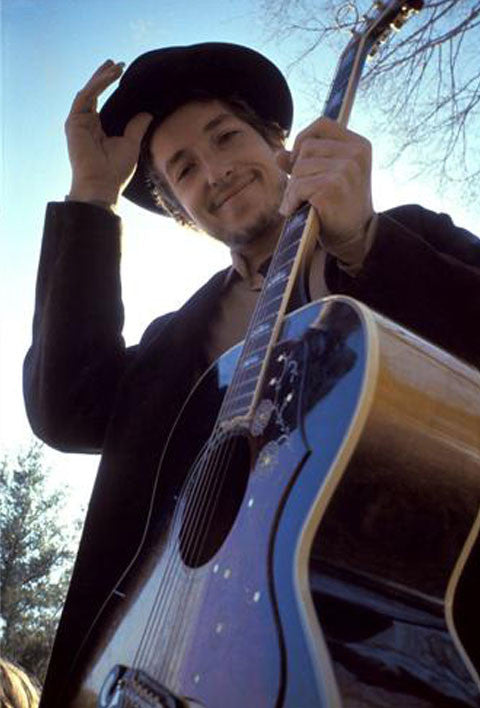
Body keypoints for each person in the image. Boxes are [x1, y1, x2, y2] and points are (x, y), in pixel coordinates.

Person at [23, 44, 480, 705]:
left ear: (278, 143)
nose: (215, 171)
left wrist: (366, 247)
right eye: (183, 168)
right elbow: (64, 410)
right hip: (158, 676)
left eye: (227, 136)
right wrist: (92, 197)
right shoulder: (172, 344)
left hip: (397, 662)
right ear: (180, 210)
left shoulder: (405, 237)